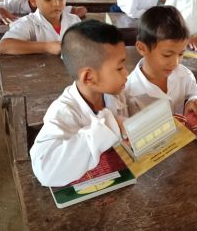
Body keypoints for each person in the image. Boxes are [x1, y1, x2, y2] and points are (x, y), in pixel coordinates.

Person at [30, 20, 129, 187]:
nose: (127, 73)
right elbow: (45, 171)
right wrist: (109, 127)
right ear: (89, 77)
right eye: (119, 68)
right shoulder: (62, 112)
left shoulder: (114, 94)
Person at [125, 5, 197, 116]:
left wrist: (194, 100)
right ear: (142, 48)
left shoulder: (183, 74)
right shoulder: (130, 91)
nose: (175, 63)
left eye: (181, 54)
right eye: (167, 55)